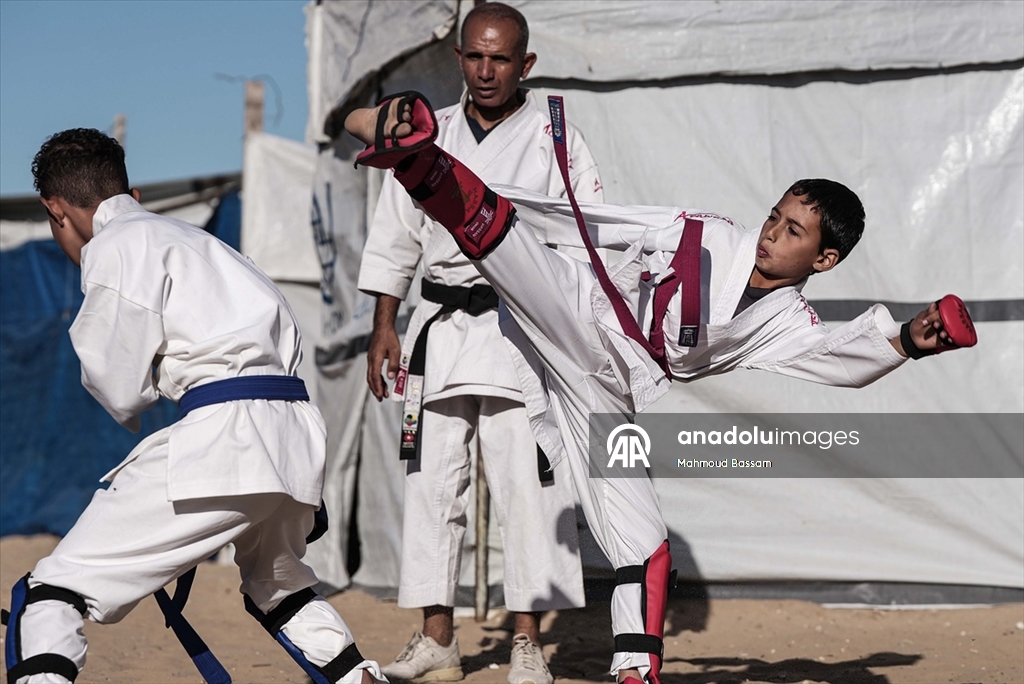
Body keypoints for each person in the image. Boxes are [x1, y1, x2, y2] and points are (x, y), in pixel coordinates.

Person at [343, 95, 977, 684]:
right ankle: (415, 157)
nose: (770, 233)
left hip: (606, 393)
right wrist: (535, 217)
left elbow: (837, 360)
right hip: (580, 315)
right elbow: (608, 223)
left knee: (646, 546)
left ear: (824, 260)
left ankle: (634, 672)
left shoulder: (787, 322)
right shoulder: (708, 235)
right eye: (773, 217)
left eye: (792, 232)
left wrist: (908, 339)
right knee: (509, 242)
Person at [2, 128, 384, 684]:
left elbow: (119, 388)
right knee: (280, 588)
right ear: (132, 195)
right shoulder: (207, 244)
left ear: (54, 209)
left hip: (224, 437)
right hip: (295, 433)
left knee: (51, 592)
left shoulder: (116, 246)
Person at [357, 4, 601, 682]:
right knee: (431, 484)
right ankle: (437, 639)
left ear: (526, 64)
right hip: (439, 327)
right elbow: (395, 236)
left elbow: (585, 239)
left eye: (500, 59)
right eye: (475, 57)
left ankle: (526, 643)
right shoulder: (422, 133)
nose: (486, 71)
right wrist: (383, 324)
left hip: (520, 331)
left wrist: (577, 333)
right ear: (458, 57)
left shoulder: (557, 138)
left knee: (527, 485)